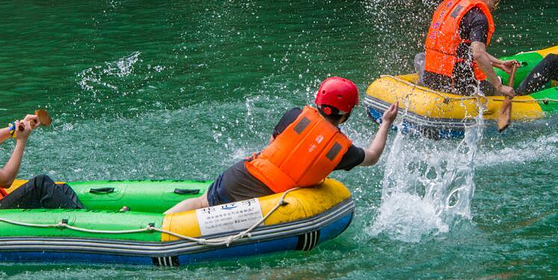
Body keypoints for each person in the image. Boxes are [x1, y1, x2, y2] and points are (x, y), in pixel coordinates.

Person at [165, 77, 399, 214]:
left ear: (318, 103)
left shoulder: (295, 115)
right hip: (266, 197)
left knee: (203, 203)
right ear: (346, 115)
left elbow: (274, 144)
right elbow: (373, 155)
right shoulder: (342, 151)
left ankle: (160, 223)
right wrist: (386, 123)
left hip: (240, 175)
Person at [418, 0, 519, 97]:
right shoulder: (479, 17)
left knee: (420, 57)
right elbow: (478, 54)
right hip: (458, 85)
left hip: (431, 78)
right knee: (497, 84)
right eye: (495, 1)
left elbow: (462, 50)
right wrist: (499, 85)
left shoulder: (448, 6)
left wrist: (499, 63)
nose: (495, 7)